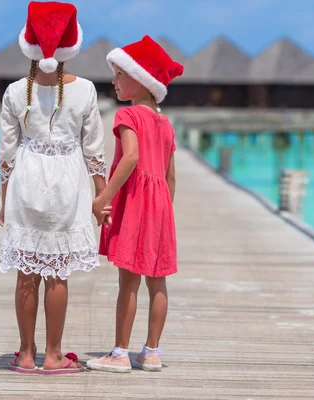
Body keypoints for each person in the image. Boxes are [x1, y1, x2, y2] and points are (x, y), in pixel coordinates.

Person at [0, 1, 109, 375]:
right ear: (70, 47)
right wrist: (101, 197)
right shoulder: (87, 90)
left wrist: (2, 201)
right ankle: (54, 355)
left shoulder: (14, 91)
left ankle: (25, 355)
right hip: (68, 185)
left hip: (26, 182)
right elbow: (94, 149)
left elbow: (7, 153)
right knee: (57, 272)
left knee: (25, 273)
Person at [88, 35, 183, 373]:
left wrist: (104, 197)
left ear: (141, 81)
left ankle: (120, 354)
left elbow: (130, 159)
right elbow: (171, 178)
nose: (114, 81)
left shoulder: (128, 117)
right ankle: (153, 352)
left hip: (136, 206)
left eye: (119, 75)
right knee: (158, 282)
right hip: (161, 209)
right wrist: (164, 211)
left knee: (128, 282)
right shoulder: (166, 124)